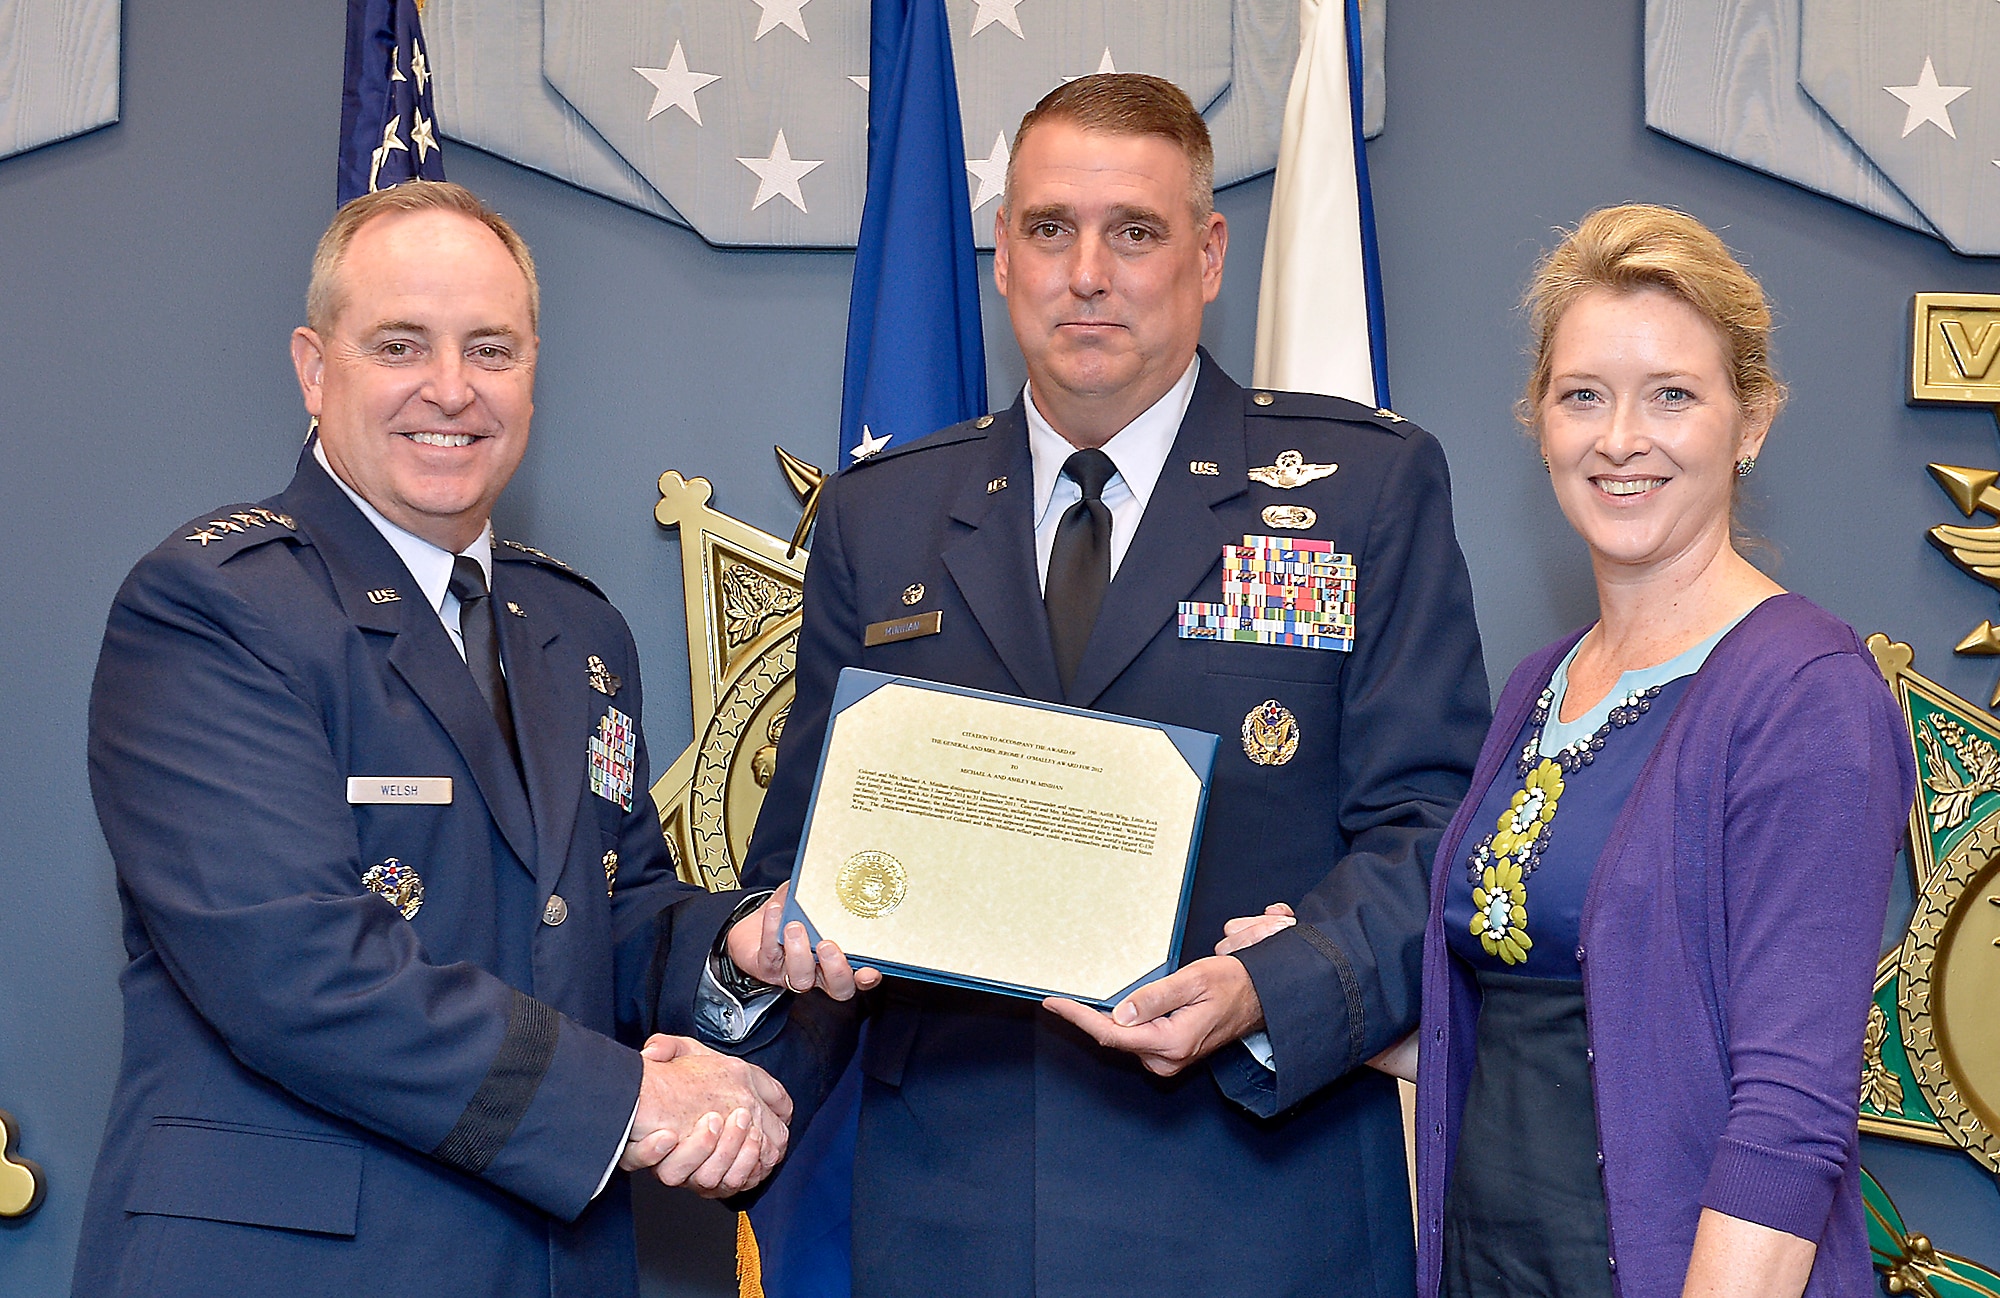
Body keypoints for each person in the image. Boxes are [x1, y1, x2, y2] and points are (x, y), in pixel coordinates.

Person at [739, 74, 1490, 1296]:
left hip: (1255, 1196)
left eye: (1132, 231)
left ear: (1206, 254)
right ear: (1000, 258)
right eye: (1048, 228)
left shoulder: (1362, 491)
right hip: (950, 1213)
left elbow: (1433, 831)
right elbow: (807, 861)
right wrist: (740, 1048)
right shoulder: (882, 516)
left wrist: (1270, 984)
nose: (1086, 271)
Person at [70, 181, 847, 1298]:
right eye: (400, 343)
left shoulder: (576, 628)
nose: (451, 387)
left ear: (532, 371)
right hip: (292, 1264)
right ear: (312, 365)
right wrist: (630, 1102)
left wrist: (736, 950)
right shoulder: (211, 605)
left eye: (491, 347)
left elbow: (598, 911)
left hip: (543, 1258)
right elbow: (295, 964)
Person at [1407, 206, 1915, 1298]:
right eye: (1580, 394)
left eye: (1671, 395)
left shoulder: (1804, 695)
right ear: (1536, 420)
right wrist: (1278, 977)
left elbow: (1786, 1116)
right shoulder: (1540, 684)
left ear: (1751, 421)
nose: (1619, 437)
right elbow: (1529, 1017)